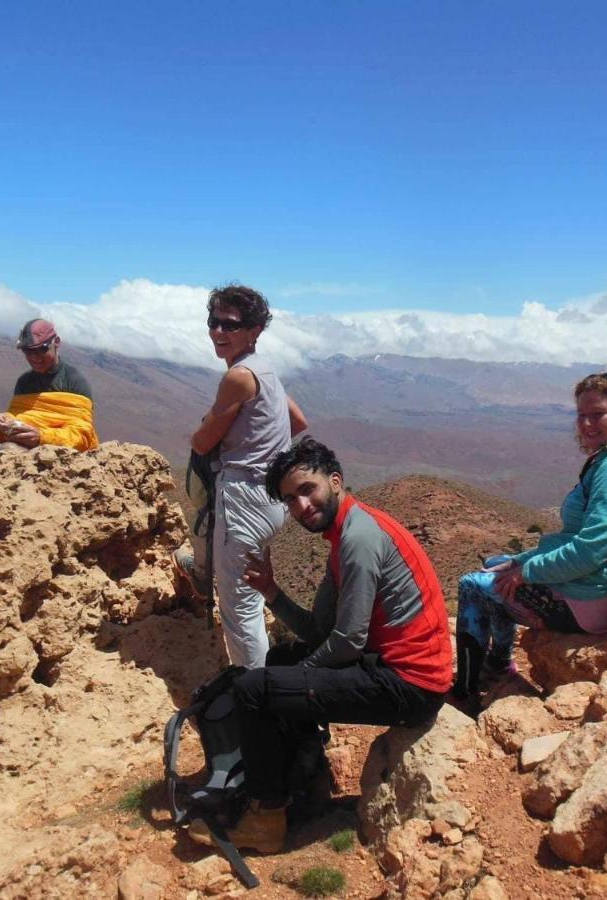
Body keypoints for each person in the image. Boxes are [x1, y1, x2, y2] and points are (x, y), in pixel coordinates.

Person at [190, 438, 452, 853]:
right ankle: (305, 775)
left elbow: (346, 642)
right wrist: (272, 592)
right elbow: (318, 631)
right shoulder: (345, 533)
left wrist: (295, 679)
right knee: (279, 660)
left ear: (335, 480)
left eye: (307, 490)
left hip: (412, 685)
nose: (300, 506)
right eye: (290, 500)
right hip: (392, 667)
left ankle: (266, 816)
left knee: (254, 690)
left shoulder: (358, 540)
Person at [451, 372, 607, 709]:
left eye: (598, 414)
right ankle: (498, 663)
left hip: (590, 599)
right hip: (595, 586)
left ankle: (466, 689)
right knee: (497, 565)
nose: (587, 423)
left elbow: (589, 551)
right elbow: (576, 538)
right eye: (582, 415)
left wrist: (526, 572)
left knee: (473, 585)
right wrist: (521, 560)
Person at [173, 285, 307, 668]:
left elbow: (202, 442)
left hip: (244, 499)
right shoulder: (267, 372)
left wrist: (214, 433)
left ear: (255, 330)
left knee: (240, 611)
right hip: (271, 497)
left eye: (229, 325)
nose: (218, 332)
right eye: (213, 322)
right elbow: (299, 421)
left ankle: (257, 701)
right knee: (247, 598)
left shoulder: (239, 377)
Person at [0, 318, 99, 452]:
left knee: (10, 450)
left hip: (63, 454)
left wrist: (42, 436)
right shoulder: (24, 382)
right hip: (23, 446)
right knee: (8, 448)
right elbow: (19, 418)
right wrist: (4, 423)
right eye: (28, 351)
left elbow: (82, 435)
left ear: (56, 343)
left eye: (41, 350)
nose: (35, 357)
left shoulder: (73, 381)